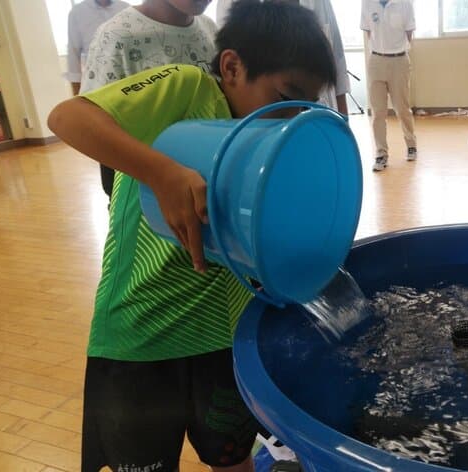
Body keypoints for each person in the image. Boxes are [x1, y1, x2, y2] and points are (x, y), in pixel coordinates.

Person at [47, 2, 337, 471]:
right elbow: (67, 118)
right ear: (232, 67)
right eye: (284, 96)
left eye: (303, 106)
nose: (289, 118)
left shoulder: (268, 143)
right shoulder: (185, 88)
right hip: (143, 332)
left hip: (222, 336)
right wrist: (160, 171)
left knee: (233, 456)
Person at [82, 0, 218, 199]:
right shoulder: (117, 36)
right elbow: (92, 123)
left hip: (203, 181)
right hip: (144, 191)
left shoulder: (208, 28)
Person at [216, 0, 349, 115]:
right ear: (232, 68)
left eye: (305, 108)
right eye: (286, 98)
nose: (295, 119)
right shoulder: (199, 120)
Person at [361, 0, 417, 172]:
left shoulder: (404, 3)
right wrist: (381, 52)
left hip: (399, 60)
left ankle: (411, 145)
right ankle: (381, 153)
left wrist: (396, 51)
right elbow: (369, 32)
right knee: (378, 112)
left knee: (402, 108)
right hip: (376, 60)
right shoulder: (367, 3)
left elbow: (409, 34)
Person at [66, 0, 130, 96]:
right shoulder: (77, 12)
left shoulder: (125, 8)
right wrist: (76, 94)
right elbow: (73, 53)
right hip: (97, 84)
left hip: (128, 79)